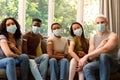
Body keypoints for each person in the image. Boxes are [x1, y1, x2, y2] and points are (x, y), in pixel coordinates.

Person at [79, 15, 120, 80]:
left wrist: (85, 56)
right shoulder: (93, 38)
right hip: (98, 63)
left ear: (107, 23)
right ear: (95, 24)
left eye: (102, 22)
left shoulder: (113, 36)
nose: (100, 24)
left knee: (103, 56)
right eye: (98, 23)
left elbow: (105, 49)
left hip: (112, 64)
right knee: (86, 67)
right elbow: (91, 57)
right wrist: (100, 45)